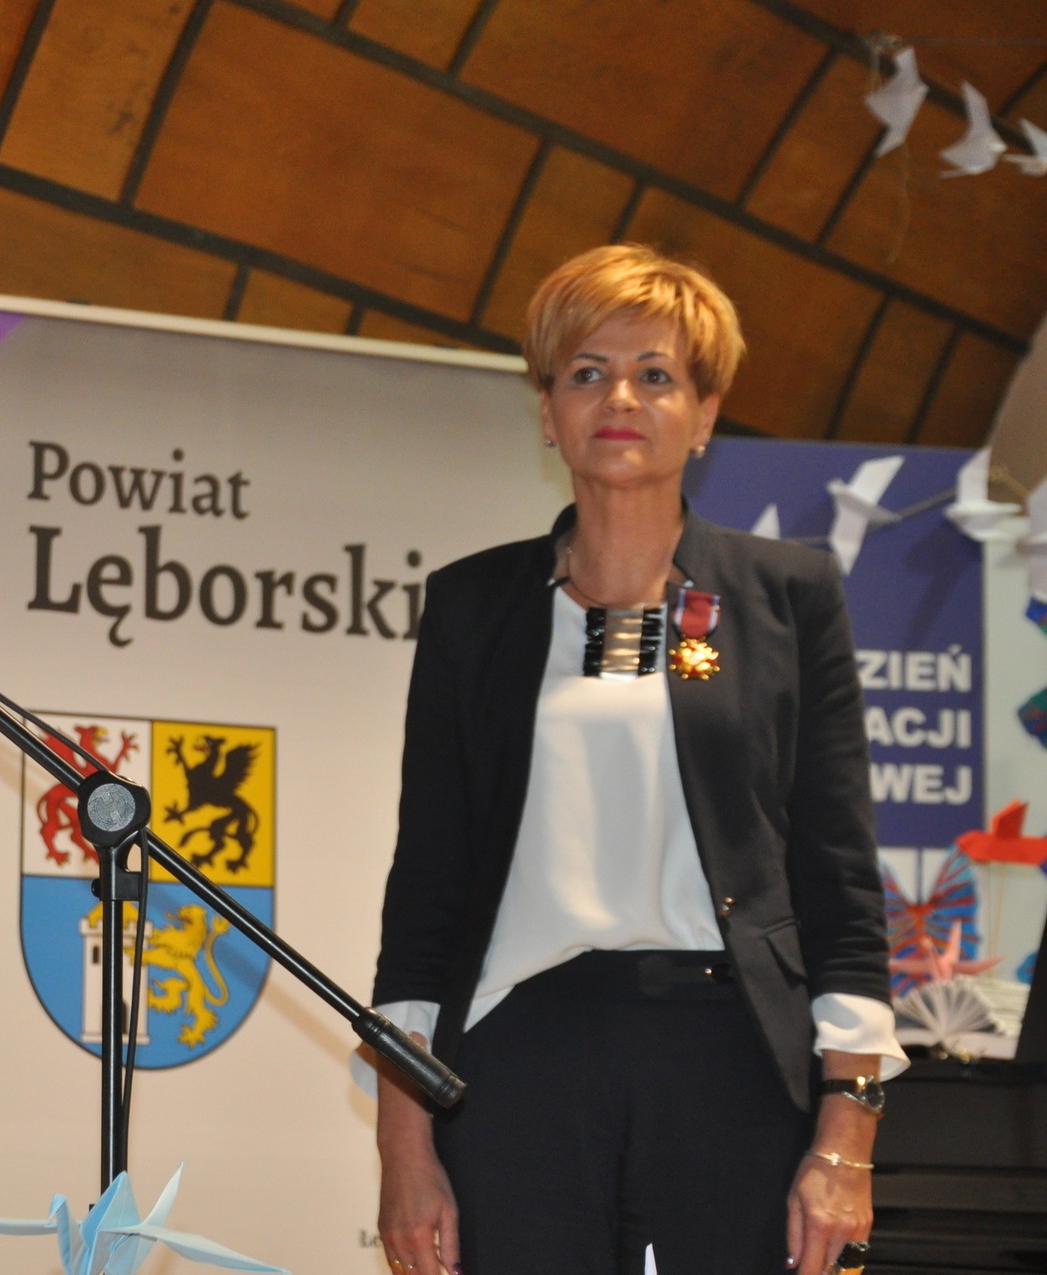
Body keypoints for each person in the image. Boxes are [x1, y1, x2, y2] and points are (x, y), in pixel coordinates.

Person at [370, 244, 902, 1275]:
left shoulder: (788, 597)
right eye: (586, 372)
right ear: (547, 411)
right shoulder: (474, 607)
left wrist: (847, 1137)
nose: (620, 396)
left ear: (704, 415)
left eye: (655, 374)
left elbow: (839, 887)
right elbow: (427, 889)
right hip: (518, 1059)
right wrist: (404, 1146)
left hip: (734, 1054)